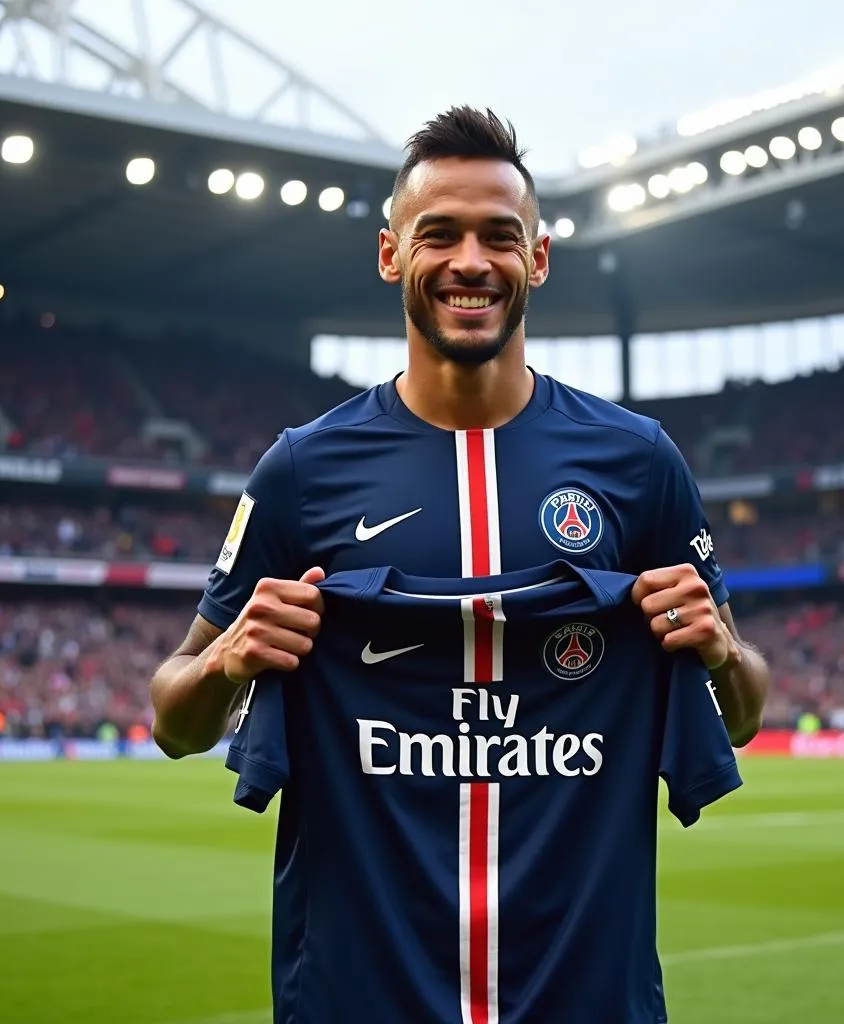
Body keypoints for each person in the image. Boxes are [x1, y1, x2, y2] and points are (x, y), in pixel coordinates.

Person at [149, 107, 769, 1020]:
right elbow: (173, 719)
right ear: (392, 255)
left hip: (587, 998)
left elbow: (744, 712)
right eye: (439, 234)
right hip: (359, 998)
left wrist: (718, 648)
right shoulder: (301, 471)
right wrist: (227, 658)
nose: (470, 262)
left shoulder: (637, 463)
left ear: (540, 259)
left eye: (499, 237)